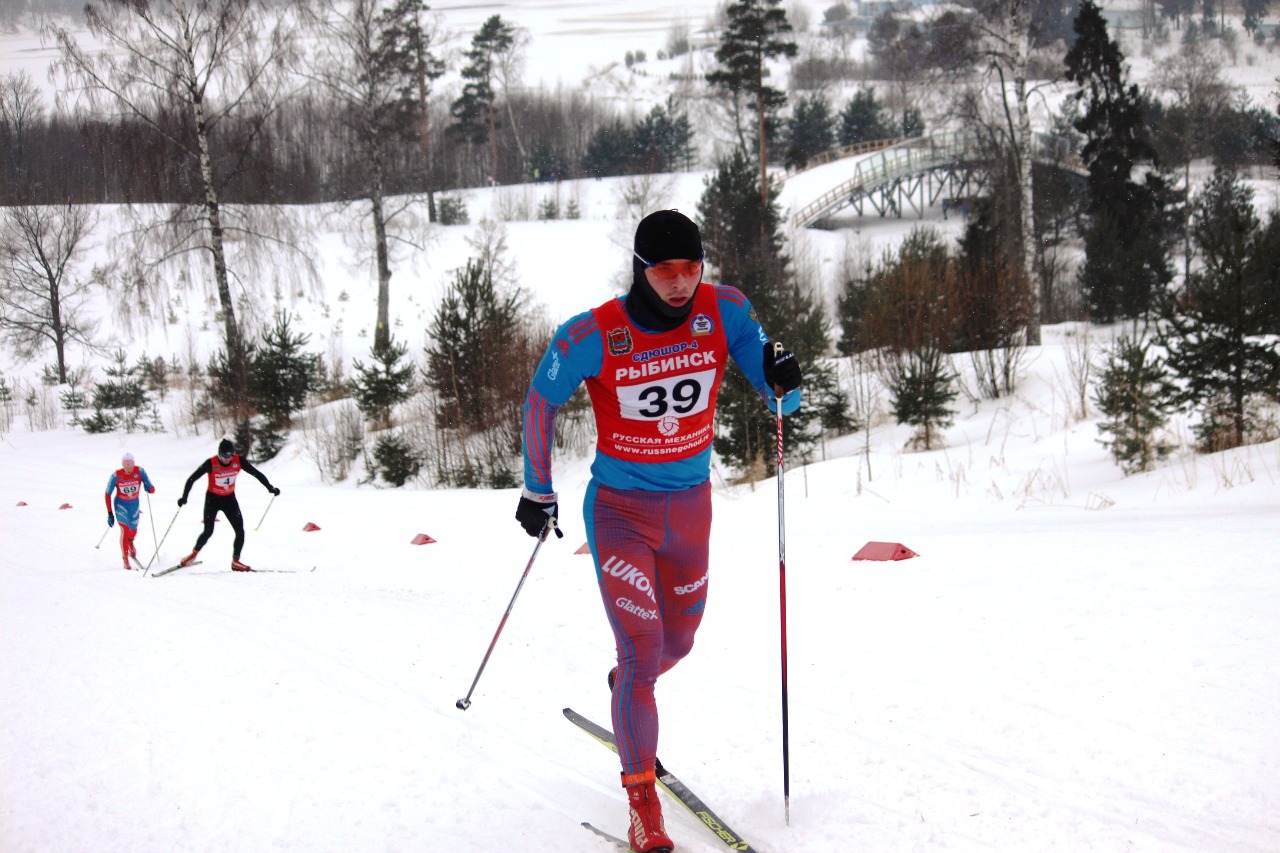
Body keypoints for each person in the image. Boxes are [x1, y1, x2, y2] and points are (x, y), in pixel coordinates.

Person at [516, 209, 803, 853]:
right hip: (620, 513)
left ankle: (628, 686)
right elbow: (541, 400)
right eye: (665, 270)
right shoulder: (593, 333)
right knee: (643, 650)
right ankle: (643, 805)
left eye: (691, 268)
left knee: (680, 641)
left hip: (690, 511)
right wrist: (538, 489)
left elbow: (778, 395)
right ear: (641, 269)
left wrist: (785, 378)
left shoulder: (725, 312)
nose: (679, 283)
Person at [176, 438, 280, 572]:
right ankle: (193, 554)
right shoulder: (211, 463)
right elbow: (192, 479)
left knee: (240, 531)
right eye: (225, 456)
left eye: (230, 455)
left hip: (229, 500)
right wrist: (184, 497)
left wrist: (270, 488)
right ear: (219, 454)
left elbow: (256, 473)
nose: (228, 458)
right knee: (208, 531)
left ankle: (236, 562)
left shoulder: (238, 461)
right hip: (212, 500)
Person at [105, 452, 155, 570]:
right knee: (125, 529)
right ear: (122, 464)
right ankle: (125, 558)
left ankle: (130, 542)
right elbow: (107, 494)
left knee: (133, 530)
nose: (128, 468)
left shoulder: (140, 471)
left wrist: (149, 487)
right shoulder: (116, 475)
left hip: (134, 505)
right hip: (120, 505)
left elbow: (152, 488)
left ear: (134, 463)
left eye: (130, 464)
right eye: (125, 464)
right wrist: (110, 513)